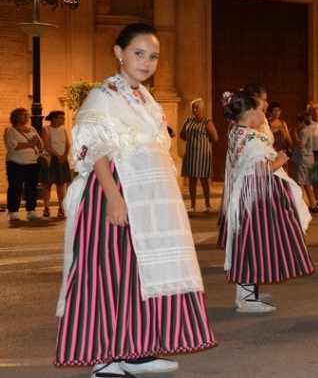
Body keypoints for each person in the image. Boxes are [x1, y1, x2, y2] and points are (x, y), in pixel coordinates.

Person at [54, 23, 216, 378]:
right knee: (106, 272)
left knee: (139, 274)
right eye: (138, 53)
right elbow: (95, 149)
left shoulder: (144, 97)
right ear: (119, 52)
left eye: (153, 56)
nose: (146, 62)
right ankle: (104, 357)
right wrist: (113, 198)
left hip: (147, 198)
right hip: (114, 192)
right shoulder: (104, 96)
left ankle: (138, 349)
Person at [219, 88, 314, 313]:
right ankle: (248, 299)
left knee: (247, 244)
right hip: (256, 199)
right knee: (254, 244)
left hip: (244, 196)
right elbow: (261, 171)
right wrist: (280, 160)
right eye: (262, 110)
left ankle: (247, 293)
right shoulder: (251, 138)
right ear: (251, 112)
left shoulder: (236, 131)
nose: (264, 115)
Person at [4, 107, 44, 222]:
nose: (26, 117)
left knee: (31, 187)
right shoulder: (10, 130)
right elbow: (13, 145)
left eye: (27, 115)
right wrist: (31, 144)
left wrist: (37, 143)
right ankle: (13, 212)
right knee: (15, 187)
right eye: (23, 115)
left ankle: (31, 210)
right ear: (16, 117)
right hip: (16, 163)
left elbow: (40, 145)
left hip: (32, 163)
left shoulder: (32, 129)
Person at [179, 98, 219, 213]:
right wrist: (191, 140)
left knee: (204, 179)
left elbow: (215, 137)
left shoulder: (207, 122)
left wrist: (204, 140)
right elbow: (182, 134)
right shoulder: (188, 121)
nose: (195, 110)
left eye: (197, 108)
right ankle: (192, 206)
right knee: (192, 180)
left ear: (202, 109)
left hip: (203, 154)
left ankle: (207, 204)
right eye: (193, 108)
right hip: (191, 153)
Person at [40, 110, 71, 218]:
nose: (63, 119)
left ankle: (61, 208)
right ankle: (46, 208)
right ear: (54, 119)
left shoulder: (63, 131)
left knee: (61, 184)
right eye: (61, 117)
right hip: (51, 159)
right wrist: (58, 156)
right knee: (47, 184)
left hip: (62, 159)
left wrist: (64, 156)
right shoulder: (46, 129)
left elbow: (67, 145)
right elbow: (46, 145)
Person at [291, 111, 318, 212]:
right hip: (309, 159)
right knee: (307, 184)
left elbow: (301, 145)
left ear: (302, 122)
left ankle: (299, 206)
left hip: (303, 160)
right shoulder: (310, 130)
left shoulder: (304, 132)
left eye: (298, 123)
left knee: (300, 183)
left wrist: (294, 135)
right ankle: (313, 204)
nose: (297, 125)